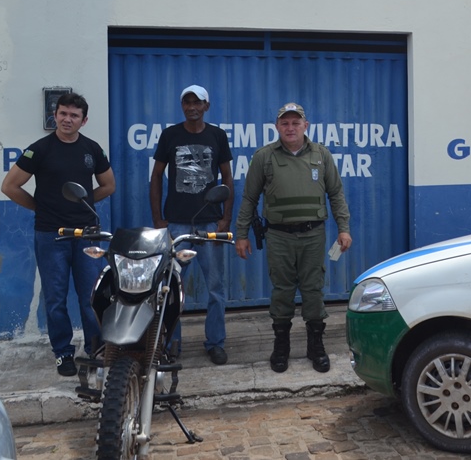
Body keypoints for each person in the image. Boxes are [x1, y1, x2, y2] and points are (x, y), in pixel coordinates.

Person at [1, 92, 116, 377]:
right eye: (63, 113)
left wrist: (84, 202)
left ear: (84, 120)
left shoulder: (92, 149)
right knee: (55, 299)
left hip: (87, 234)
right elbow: (10, 186)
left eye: (74, 115)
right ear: (55, 115)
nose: (67, 119)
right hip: (51, 235)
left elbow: (108, 185)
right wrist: (40, 207)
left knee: (92, 297)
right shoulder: (39, 149)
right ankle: (63, 353)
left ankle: (96, 349)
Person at [234, 102, 353, 373]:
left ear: (305, 126)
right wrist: (241, 235)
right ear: (277, 127)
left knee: (313, 291)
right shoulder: (264, 157)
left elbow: (336, 194)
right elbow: (249, 198)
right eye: (285, 123)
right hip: (279, 236)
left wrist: (343, 228)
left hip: (313, 235)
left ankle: (316, 347)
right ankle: (281, 347)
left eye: (295, 123)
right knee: (282, 292)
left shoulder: (321, 155)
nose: (290, 128)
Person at [150, 84, 234, 365]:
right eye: (187, 102)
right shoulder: (170, 135)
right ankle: (172, 345)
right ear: (182, 106)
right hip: (176, 225)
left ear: (206, 106)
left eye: (197, 102)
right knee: (170, 289)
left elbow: (228, 179)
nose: (192, 107)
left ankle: (215, 343)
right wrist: (158, 219)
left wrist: (225, 218)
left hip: (210, 223)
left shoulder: (217, 136)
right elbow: (156, 177)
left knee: (216, 288)